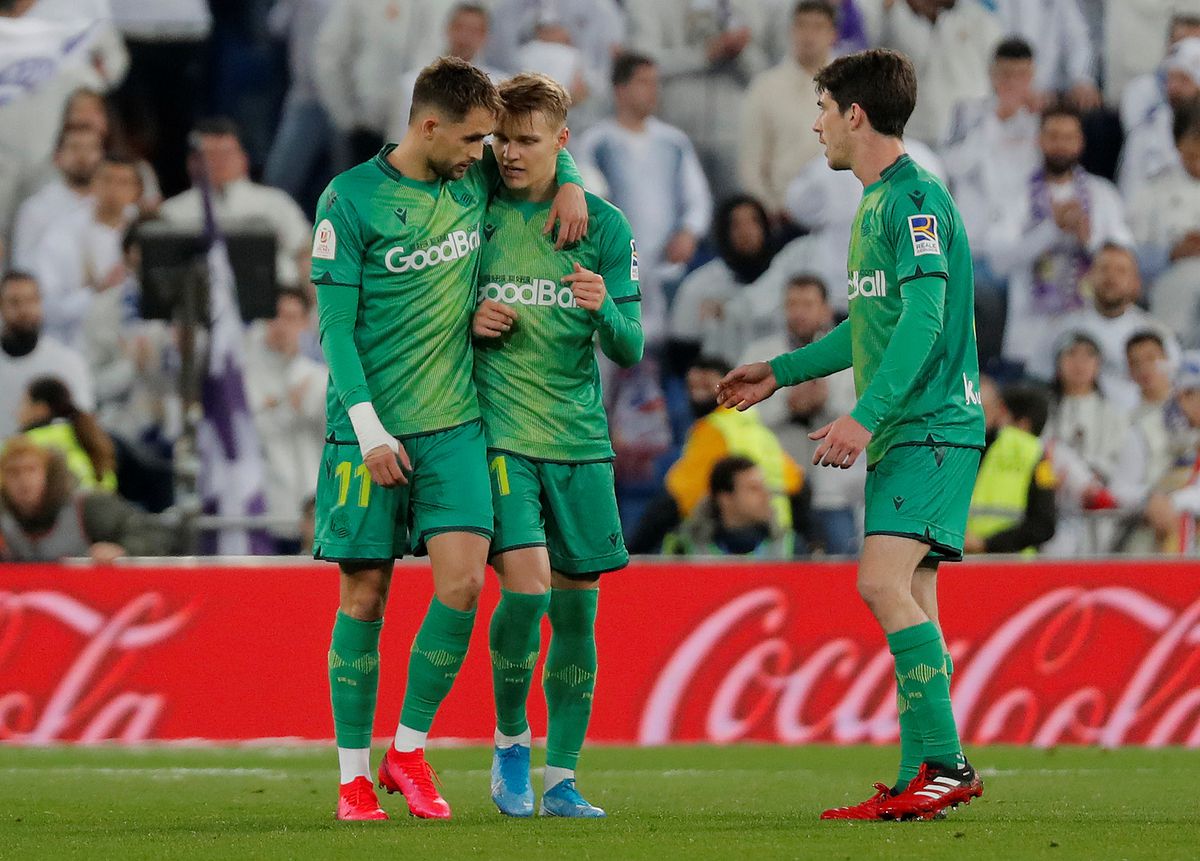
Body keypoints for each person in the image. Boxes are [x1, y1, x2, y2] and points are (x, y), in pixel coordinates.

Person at [310, 56, 587, 822]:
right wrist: (369, 429)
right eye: (472, 140)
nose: (485, 155)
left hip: (456, 424)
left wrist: (570, 182)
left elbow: (541, 158)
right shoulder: (349, 199)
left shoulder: (473, 178)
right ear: (429, 126)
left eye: (488, 142)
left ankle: (407, 749)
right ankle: (352, 778)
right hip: (365, 431)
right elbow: (334, 331)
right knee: (365, 594)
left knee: (463, 583)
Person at [717, 49, 985, 821]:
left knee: (879, 583)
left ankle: (946, 763)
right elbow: (871, 326)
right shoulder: (875, 204)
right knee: (914, 594)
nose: (817, 126)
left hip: (931, 424)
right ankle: (918, 775)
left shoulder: (916, 201)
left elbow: (925, 321)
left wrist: (864, 415)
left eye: (824, 110)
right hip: (914, 427)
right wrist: (781, 369)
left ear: (855, 115)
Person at [470, 73, 643, 819]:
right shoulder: (474, 205)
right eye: (502, 139)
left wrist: (603, 309)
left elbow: (631, 346)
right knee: (528, 589)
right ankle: (511, 739)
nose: (510, 153)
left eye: (528, 141)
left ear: (561, 140)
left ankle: (563, 777)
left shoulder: (603, 226)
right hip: (502, 436)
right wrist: (469, 319)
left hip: (580, 440)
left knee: (577, 617)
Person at [575, 53, 713, 347]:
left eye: (655, 82)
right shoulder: (596, 142)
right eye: (643, 82)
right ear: (620, 90)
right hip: (614, 266)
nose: (653, 90)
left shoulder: (673, 141)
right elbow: (587, 202)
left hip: (666, 266)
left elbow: (698, 197)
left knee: (665, 346)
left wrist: (689, 232)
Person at [985, 103, 1132, 374]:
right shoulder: (1016, 194)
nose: (1061, 146)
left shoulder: (1103, 194)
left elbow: (1124, 259)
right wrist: (1051, 230)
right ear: (1039, 140)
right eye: (1053, 137)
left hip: (1088, 337)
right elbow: (998, 262)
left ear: (1081, 142)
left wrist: (1088, 239)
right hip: (1028, 337)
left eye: (1068, 137)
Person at [628, 355, 807, 554]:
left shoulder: (714, 430)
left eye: (707, 386)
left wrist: (633, 553)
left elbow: (675, 500)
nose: (696, 395)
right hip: (779, 543)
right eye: (691, 387)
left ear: (731, 387)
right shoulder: (759, 431)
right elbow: (799, 486)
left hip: (736, 543)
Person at [740, 275, 863, 555]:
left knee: (841, 567)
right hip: (778, 491)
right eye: (792, 304)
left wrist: (826, 400)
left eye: (807, 304)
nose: (799, 312)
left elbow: (867, 407)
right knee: (779, 569)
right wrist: (788, 405)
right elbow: (741, 417)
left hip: (836, 492)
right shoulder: (760, 353)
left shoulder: (853, 348)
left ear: (826, 309)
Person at [159, 118, 312, 289]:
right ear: (192, 162)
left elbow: (305, 250)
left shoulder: (275, 202)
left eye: (226, 154)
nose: (220, 162)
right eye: (211, 155)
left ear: (243, 158)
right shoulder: (172, 212)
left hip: (278, 295)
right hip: (199, 297)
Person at [243, 288, 327, 554]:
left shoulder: (318, 374)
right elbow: (253, 428)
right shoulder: (249, 375)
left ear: (305, 324)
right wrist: (285, 402)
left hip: (313, 508)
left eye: (291, 318)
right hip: (269, 512)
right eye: (276, 317)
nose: (282, 326)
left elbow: (315, 410)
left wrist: (277, 405)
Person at [738, 1, 839, 220]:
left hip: (840, 211)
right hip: (781, 215)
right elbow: (751, 164)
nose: (808, 35)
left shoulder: (850, 87)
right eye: (802, 26)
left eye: (818, 27)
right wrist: (769, 209)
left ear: (833, 34)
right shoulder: (764, 88)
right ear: (791, 31)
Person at [31, 152, 142, 348]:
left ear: (136, 191)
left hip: (132, 340)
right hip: (76, 342)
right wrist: (97, 291)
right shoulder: (60, 235)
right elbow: (47, 307)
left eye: (123, 182)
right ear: (93, 184)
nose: (114, 189)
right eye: (107, 180)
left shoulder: (146, 231)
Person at [0, 436, 171, 562]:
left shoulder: (89, 506)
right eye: (13, 472)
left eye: (30, 470)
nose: (23, 480)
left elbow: (151, 534)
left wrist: (123, 550)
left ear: (49, 474)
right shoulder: (4, 515)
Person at [1048, 243, 1179, 407]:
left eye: (1121, 271)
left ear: (1136, 282)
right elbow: (1041, 381)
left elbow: (1170, 388)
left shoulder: (1156, 333)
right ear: (1089, 277)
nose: (1111, 277)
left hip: (1138, 418)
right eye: (1104, 269)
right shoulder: (1063, 327)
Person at [666, 195, 777, 372]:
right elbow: (681, 350)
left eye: (753, 222)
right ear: (724, 232)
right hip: (720, 381)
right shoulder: (700, 283)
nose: (746, 232)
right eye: (736, 225)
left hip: (778, 380)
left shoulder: (784, 276)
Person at [963, 380, 1057, 555]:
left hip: (970, 559)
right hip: (1015, 563)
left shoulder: (979, 444)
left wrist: (984, 543)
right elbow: (1044, 524)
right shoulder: (1040, 455)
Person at [0, 271, 93, 439]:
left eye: (31, 300)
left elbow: (83, 425)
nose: (24, 310)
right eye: (14, 302)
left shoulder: (67, 362)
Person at [10, 124, 103, 269]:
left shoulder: (115, 206)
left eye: (91, 148)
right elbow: (22, 266)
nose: (83, 156)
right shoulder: (35, 209)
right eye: (74, 147)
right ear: (57, 157)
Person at [663, 456, 792, 557]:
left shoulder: (790, 545)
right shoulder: (683, 547)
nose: (766, 495)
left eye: (764, 486)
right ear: (725, 498)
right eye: (753, 488)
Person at [19, 375, 117, 491]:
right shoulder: (87, 433)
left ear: (40, 409)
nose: (16, 412)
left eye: (24, 404)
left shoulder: (25, 445)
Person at [1125, 330, 1175, 423]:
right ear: (1129, 370)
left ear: (1166, 359)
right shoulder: (1131, 421)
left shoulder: (1191, 403)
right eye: (1135, 362)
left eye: (1150, 358)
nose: (1143, 367)